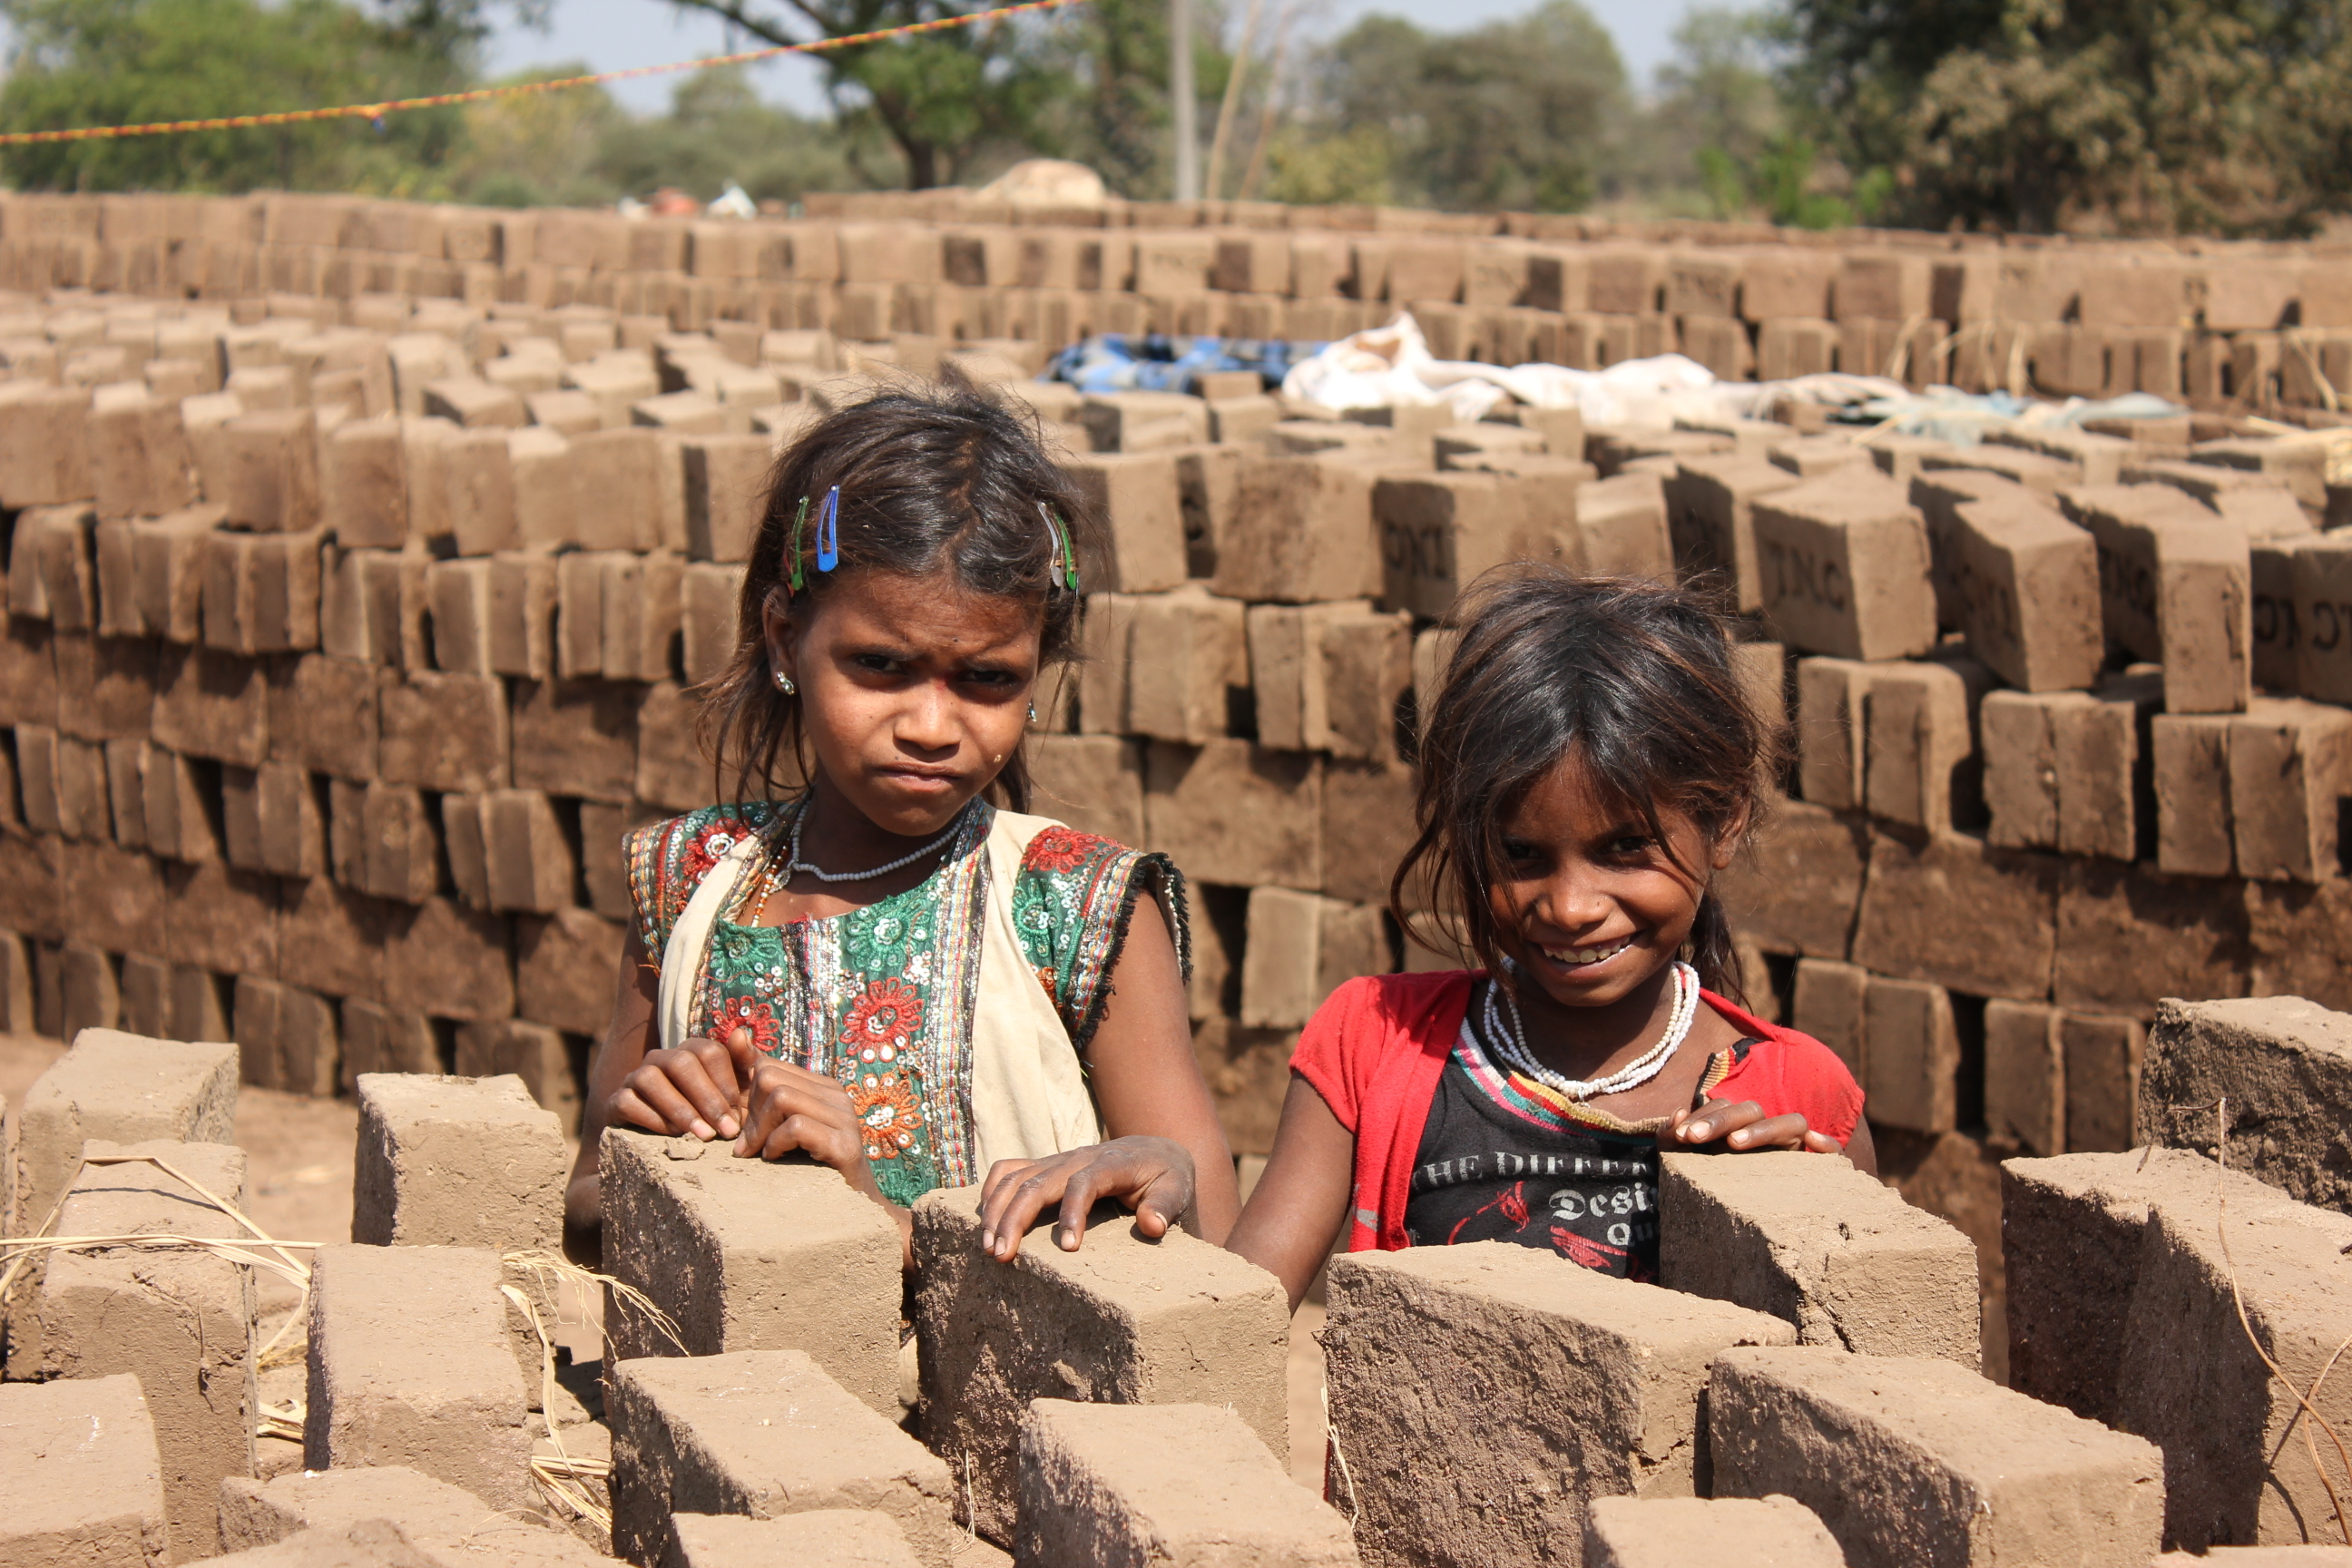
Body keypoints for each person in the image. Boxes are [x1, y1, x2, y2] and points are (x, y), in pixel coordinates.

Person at [564, 375, 1238, 1267]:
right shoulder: (689, 881)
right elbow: (580, 1215)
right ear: (783, 640)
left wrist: (874, 1223)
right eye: (880, 666)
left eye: (988, 679)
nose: (930, 726)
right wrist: (647, 1137)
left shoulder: (1076, 906)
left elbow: (1216, 1245)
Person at [1225, 568, 1873, 1309]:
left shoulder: (1800, 1097)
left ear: (1724, 823)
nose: (1569, 908)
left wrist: (1803, 1214)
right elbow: (1231, 1322)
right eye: (1521, 855)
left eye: (1626, 847)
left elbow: (1866, 1381)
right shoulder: (1375, 1044)